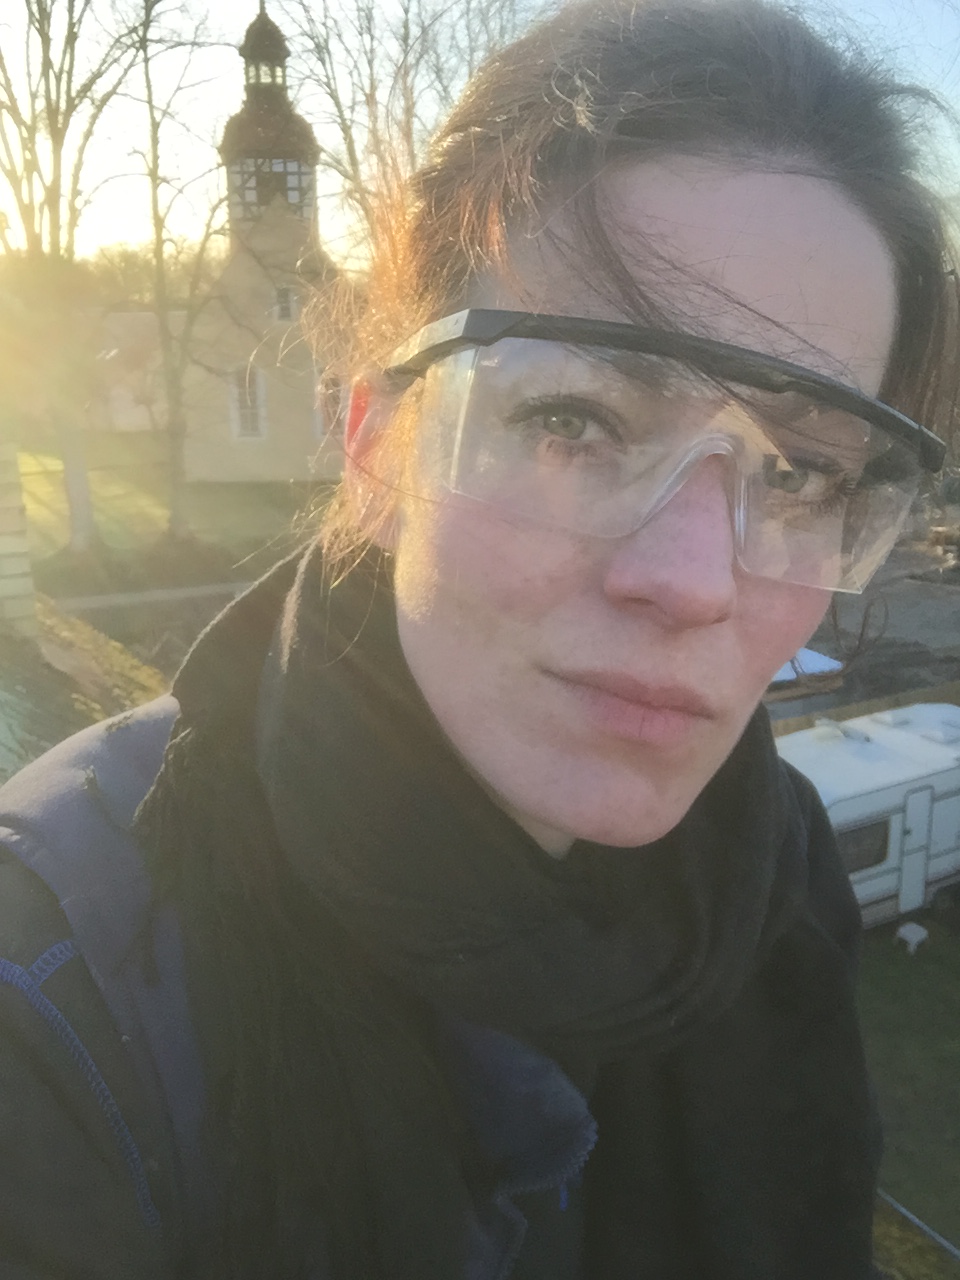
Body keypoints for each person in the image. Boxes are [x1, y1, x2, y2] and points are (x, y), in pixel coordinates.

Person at [0, 0, 955, 1276]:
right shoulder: (56, 1003)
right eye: (574, 422)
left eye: (803, 474)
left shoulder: (773, 859)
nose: (692, 582)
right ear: (374, 453)